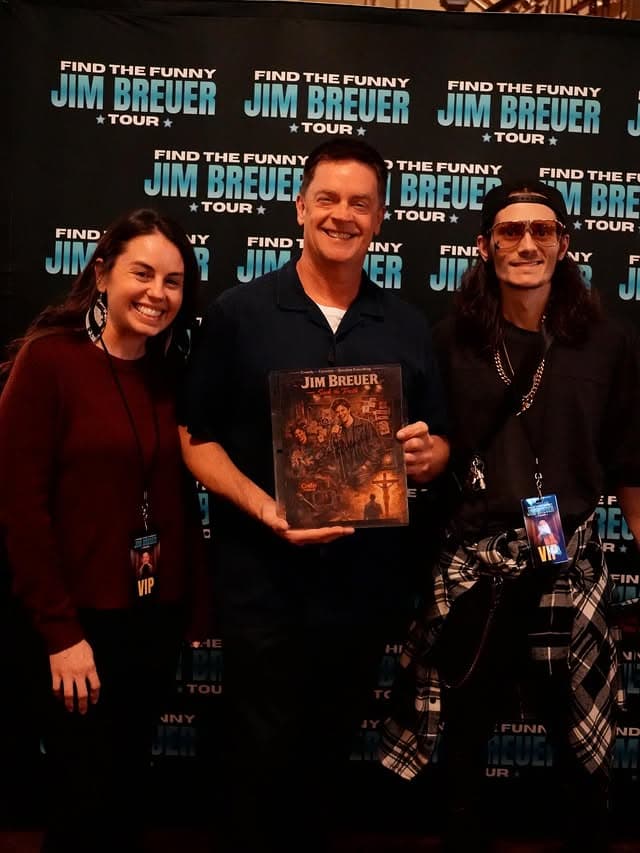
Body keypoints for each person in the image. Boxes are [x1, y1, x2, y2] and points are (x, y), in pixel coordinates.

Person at [179, 138, 450, 853]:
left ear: (381, 218)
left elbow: (441, 442)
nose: (343, 214)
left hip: (363, 588)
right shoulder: (239, 314)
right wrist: (266, 507)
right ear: (299, 207)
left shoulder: (407, 324)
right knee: (256, 751)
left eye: (360, 202)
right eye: (327, 198)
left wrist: (427, 455)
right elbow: (194, 438)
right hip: (262, 581)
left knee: (329, 751)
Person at [380, 178, 640, 852]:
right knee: (463, 737)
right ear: (484, 245)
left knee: (583, 748)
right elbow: (430, 448)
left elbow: (631, 462)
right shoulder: (449, 340)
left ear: (564, 244)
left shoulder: (607, 345)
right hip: (476, 568)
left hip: (566, 567)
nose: (527, 243)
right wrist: (427, 457)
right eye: (510, 231)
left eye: (542, 231)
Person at [0, 208, 207, 853]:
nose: (156, 294)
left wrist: (194, 611)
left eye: (173, 282)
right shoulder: (48, 361)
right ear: (101, 275)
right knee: (81, 794)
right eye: (141, 274)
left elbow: (174, 495)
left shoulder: (171, 372)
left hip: (152, 614)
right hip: (77, 621)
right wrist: (61, 634)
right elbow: (19, 508)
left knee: (124, 788)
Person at [329, 396, 384, 488]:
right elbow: (332, 454)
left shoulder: (365, 425)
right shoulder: (337, 430)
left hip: (367, 474)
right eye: (337, 412)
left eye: (343, 410)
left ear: (349, 410)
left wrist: (366, 467)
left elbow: (378, 449)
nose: (340, 414)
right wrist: (334, 438)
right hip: (348, 477)